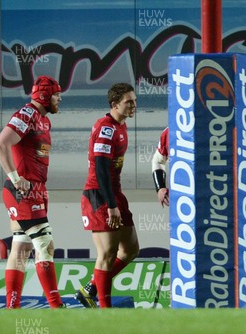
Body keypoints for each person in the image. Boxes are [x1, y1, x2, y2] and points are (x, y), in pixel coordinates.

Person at [0, 75, 65, 309]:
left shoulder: (44, 120)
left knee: (21, 247)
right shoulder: (26, 115)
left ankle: (11, 308)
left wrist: (41, 190)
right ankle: (57, 307)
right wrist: (16, 179)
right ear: (44, 96)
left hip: (36, 190)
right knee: (45, 244)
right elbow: (1, 144)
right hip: (23, 192)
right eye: (56, 95)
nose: (60, 99)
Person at [76, 83, 139, 308]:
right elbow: (101, 168)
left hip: (115, 194)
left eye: (134, 100)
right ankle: (104, 308)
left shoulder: (120, 126)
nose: (134, 105)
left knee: (131, 249)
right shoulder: (106, 127)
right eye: (128, 102)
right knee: (108, 253)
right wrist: (111, 205)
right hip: (100, 195)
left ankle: (91, 288)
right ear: (114, 104)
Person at [152, 127, 169, 207]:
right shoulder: (169, 132)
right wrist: (160, 187)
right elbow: (158, 161)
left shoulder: (212, 132)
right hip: (182, 201)